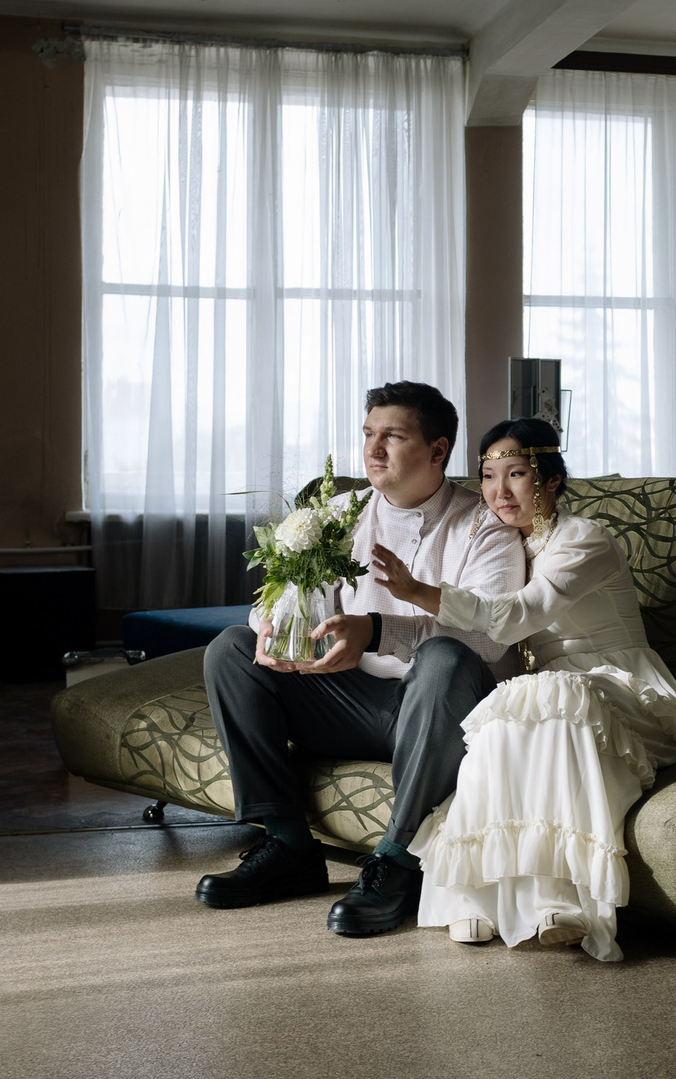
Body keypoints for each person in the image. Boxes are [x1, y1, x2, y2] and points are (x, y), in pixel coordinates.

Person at [368, 418, 676, 961]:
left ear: (551, 479)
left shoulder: (585, 540)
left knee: (554, 702)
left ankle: (561, 900)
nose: (499, 491)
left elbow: (519, 616)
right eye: (488, 477)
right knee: (500, 722)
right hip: (550, 690)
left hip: (618, 682)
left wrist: (419, 591)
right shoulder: (507, 547)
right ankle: (474, 898)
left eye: (517, 474)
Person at [196, 382, 527, 937]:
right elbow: (277, 601)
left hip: (439, 712)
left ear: (438, 450)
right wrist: (273, 626)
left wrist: (375, 632)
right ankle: (287, 844)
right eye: (369, 434)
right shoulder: (337, 514)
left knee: (444, 657)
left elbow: (490, 639)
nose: (373, 449)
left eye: (392, 436)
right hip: (348, 701)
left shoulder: (486, 525)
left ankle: (398, 862)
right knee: (230, 649)